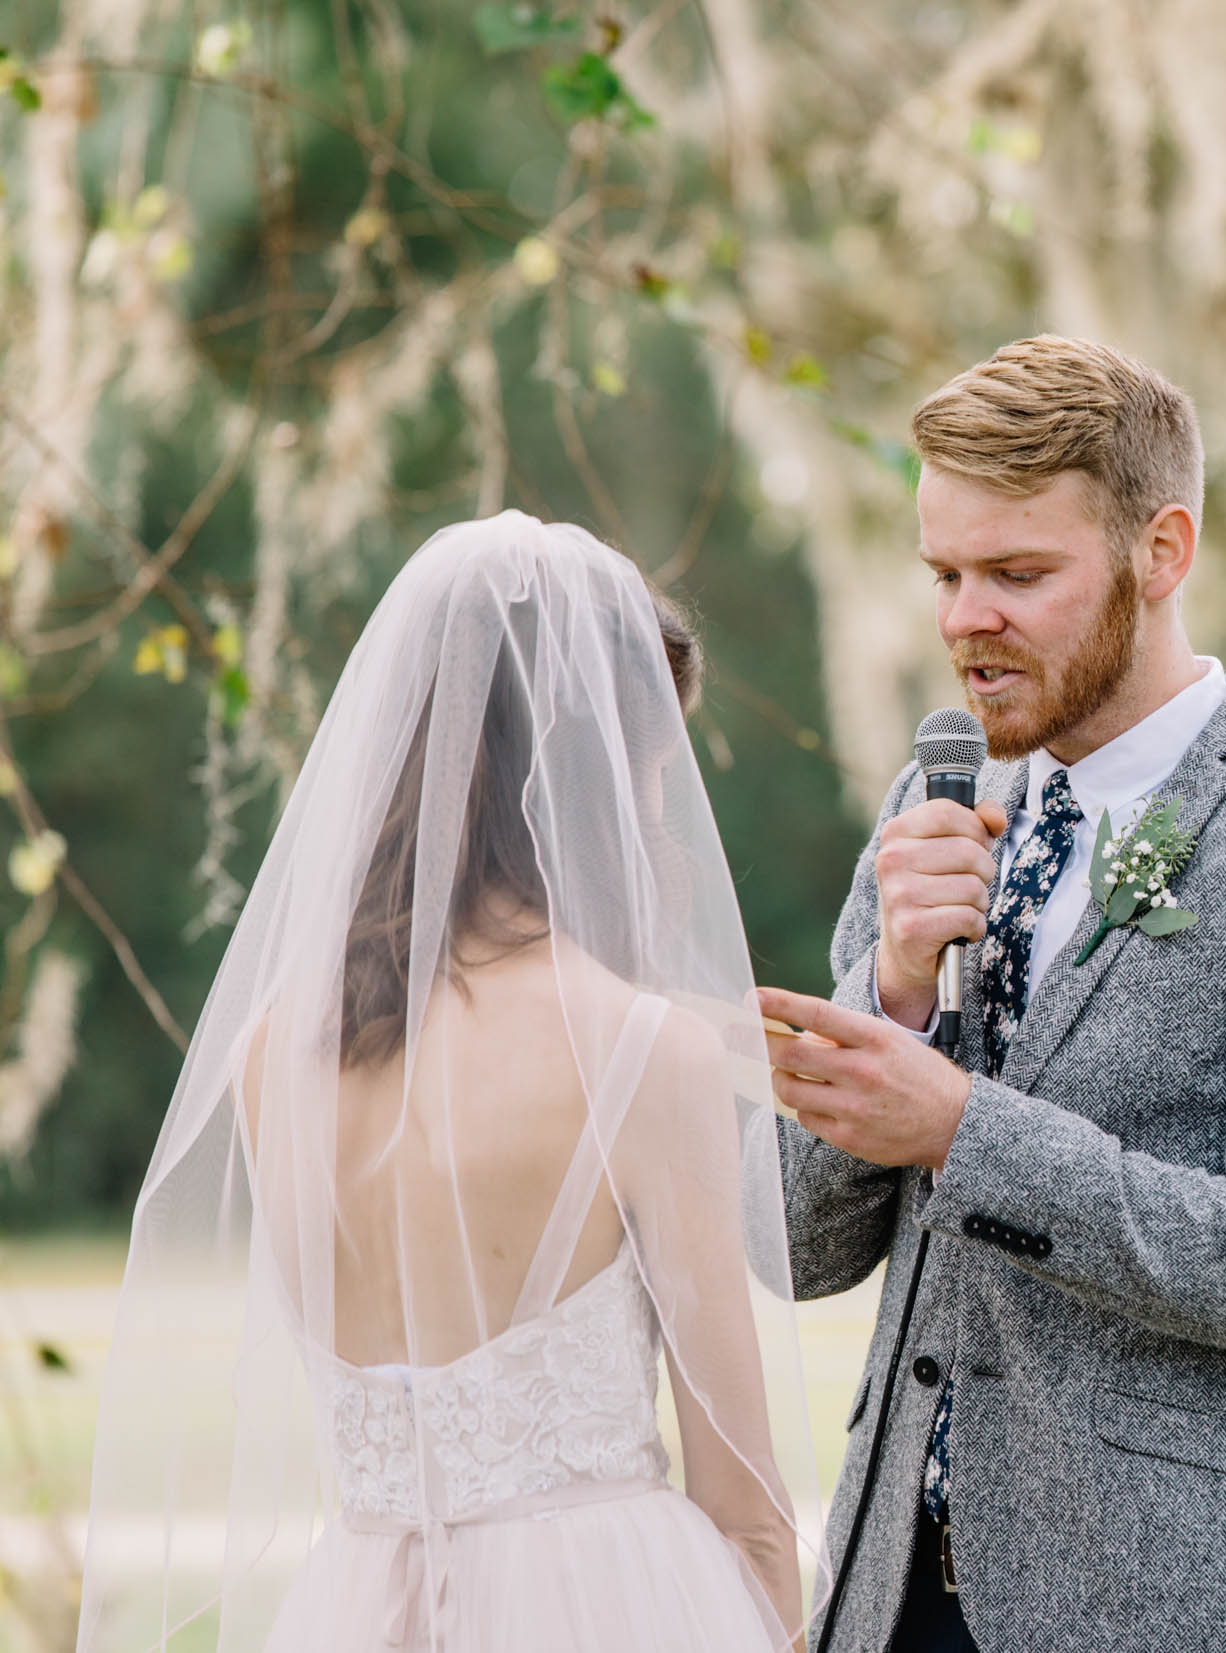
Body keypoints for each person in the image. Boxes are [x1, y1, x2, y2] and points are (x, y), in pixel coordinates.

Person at [759, 334, 1226, 1653]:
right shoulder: (935, 803)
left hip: (1181, 1606)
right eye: (948, 573)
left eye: (1020, 573)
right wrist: (894, 990)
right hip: (895, 1599)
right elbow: (795, 1248)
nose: (970, 615)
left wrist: (965, 1130)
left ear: (1164, 550)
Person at [76, 513, 816, 1653]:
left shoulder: (276, 1049)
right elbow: (748, 1512)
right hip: (606, 1608)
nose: (663, 824)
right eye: (656, 777)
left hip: (364, 1607)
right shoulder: (638, 1055)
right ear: (589, 782)